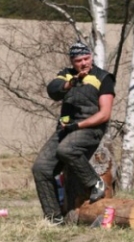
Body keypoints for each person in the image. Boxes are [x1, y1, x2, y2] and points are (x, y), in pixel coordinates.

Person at [32, 41, 115, 225]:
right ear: (72, 61)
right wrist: (72, 82)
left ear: (91, 57)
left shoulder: (103, 77)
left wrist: (78, 126)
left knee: (66, 150)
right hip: (66, 129)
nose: (84, 63)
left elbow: (105, 114)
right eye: (79, 60)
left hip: (91, 128)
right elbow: (53, 90)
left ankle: (95, 183)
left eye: (86, 58)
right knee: (40, 168)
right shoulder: (65, 75)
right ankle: (54, 218)